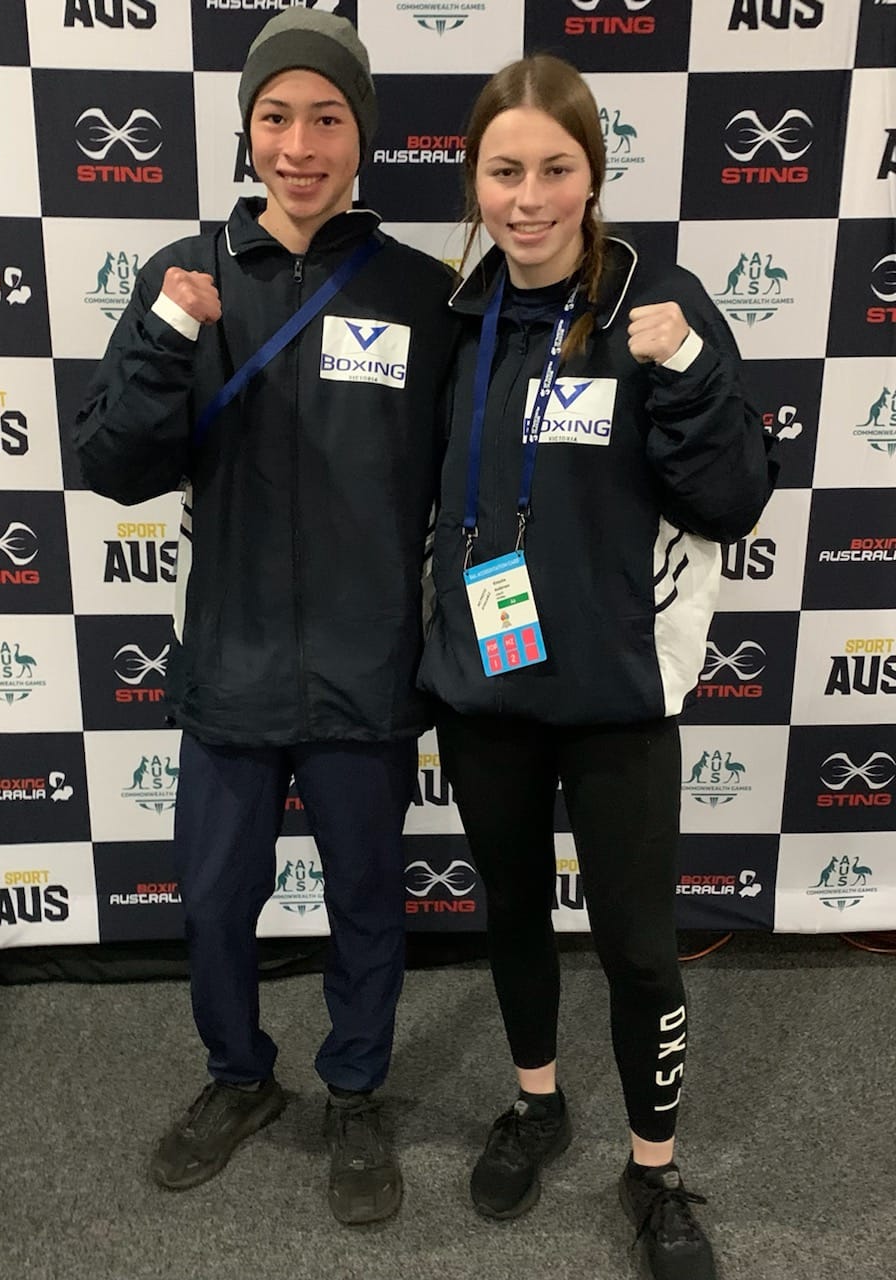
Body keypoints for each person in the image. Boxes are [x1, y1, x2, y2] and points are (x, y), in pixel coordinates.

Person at [75, 9, 458, 1226]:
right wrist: (163, 332)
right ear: (248, 130)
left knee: (364, 900)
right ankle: (238, 1074)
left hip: (366, 674)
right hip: (231, 668)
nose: (301, 143)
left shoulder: (420, 292)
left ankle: (355, 1088)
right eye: (278, 116)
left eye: (328, 118)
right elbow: (111, 463)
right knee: (212, 900)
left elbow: (477, 471)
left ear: (363, 138)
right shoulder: (186, 275)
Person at [418, 56, 777, 1278]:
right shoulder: (460, 321)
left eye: (554, 169)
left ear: (593, 174)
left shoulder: (654, 302)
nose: (529, 198)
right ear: (474, 180)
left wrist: (683, 371)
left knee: (636, 943)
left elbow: (731, 497)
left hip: (617, 696)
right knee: (512, 909)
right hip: (487, 691)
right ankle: (538, 1101)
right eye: (504, 170)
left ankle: (656, 1166)